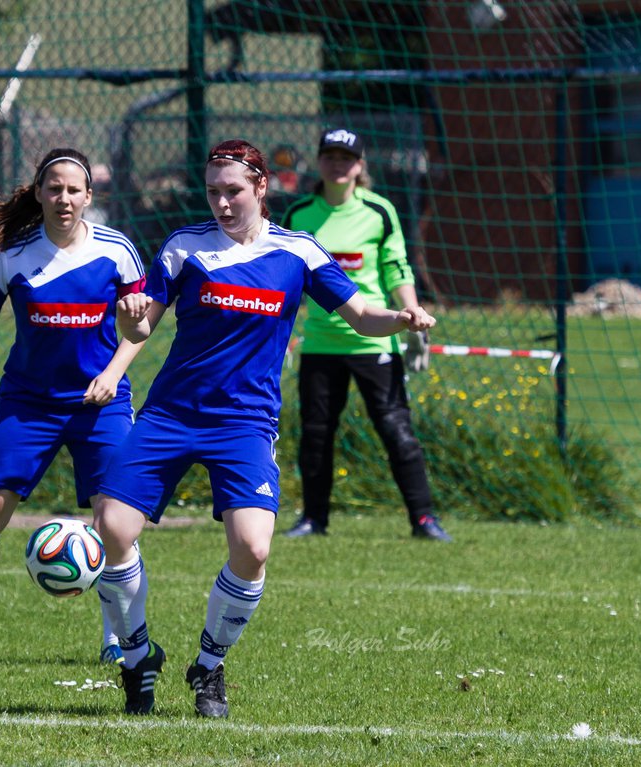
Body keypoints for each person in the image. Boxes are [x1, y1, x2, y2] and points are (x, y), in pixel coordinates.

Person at [94, 139, 437, 718]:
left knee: (253, 548)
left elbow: (358, 312)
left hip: (245, 422)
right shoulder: (184, 247)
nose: (222, 203)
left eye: (233, 191)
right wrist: (127, 325)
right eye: (213, 192)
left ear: (260, 188)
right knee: (111, 526)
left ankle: (208, 665)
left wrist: (400, 320)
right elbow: (142, 324)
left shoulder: (299, 252)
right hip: (171, 414)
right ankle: (136, 657)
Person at [0, 148, 147, 670]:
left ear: (89, 196)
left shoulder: (118, 251)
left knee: (116, 523)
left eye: (73, 190)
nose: (63, 198)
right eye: (54, 188)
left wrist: (112, 374)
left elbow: (140, 329)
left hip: (101, 406)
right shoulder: (12, 252)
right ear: (39, 193)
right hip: (28, 404)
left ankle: (119, 638)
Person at [280, 128, 451, 542]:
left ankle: (424, 519)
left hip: (374, 340)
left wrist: (411, 316)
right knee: (316, 434)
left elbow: (396, 266)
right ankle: (313, 519)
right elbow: (283, 281)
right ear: (319, 161)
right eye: (330, 156)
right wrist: (280, 335)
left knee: (396, 429)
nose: (338, 164)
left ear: (360, 165)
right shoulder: (299, 215)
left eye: (347, 157)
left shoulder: (379, 211)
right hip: (320, 344)